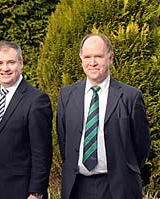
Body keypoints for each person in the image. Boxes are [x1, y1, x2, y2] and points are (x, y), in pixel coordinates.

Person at [57, 33, 151, 199]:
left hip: (119, 187)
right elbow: (64, 141)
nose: (92, 63)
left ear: (110, 58)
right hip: (77, 187)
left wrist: (124, 169)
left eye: (98, 56)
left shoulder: (130, 96)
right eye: (87, 57)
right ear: (81, 59)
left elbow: (141, 145)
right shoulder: (66, 95)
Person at [0, 41, 53, 199]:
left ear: (21, 64)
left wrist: (36, 193)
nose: (4, 68)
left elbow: (42, 152)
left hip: (22, 192)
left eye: (11, 62)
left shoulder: (37, 100)